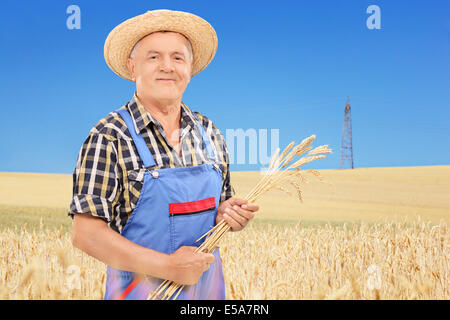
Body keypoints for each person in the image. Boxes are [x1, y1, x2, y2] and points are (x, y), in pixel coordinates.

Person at [68, 9, 259, 300]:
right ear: (133, 68)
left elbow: (220, 206)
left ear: (190, 68)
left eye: (178, 57)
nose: (167, 66)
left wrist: (229, 214)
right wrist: (167, 266)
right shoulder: (109, 136)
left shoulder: (209, 132)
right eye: (154, 57)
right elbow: (86, 234)